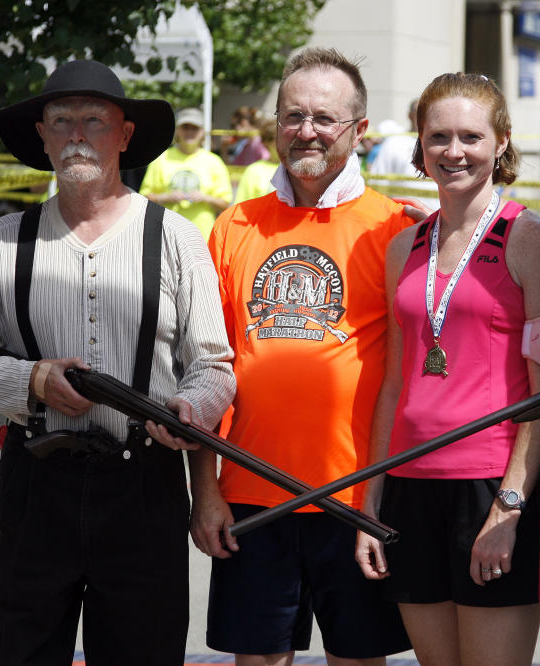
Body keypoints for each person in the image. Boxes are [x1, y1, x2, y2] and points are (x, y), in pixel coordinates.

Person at [0, 60, 236, 665]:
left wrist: (194, 408)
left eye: (94, 120)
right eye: (62, 121)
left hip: (143, 486)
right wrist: (27, 381)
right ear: (42, 135)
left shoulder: (175, 239)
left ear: (125, 134)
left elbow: (214, 365)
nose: (77, 135)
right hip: (36, 488)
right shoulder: (5, 240)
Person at [191, 47, 412, 665]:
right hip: (251, 496)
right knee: (258, 659)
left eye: (323, 117)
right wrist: (204, 491)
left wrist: (385, 499)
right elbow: (208, 368)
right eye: (292, 116)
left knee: (358, 657)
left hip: (355, 497)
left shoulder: (395, 229)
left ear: (359, 130)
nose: (305, 130)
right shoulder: (234, 225)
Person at [354, 73, 540, 666]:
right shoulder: (405, 246)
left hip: (490, 487)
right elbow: (396, 384)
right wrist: (371, 502)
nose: (453, 151)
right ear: (420, 145)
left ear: (500, 142)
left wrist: (510, 506)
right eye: (437, 136)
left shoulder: (529, 238)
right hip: (410, 487)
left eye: (470, 136)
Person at [139, 107, 233, 242]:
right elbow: (144, 198)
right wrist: (166, 197)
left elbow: (225, 203)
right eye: (185, 127)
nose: (190, 132)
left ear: (202, 132)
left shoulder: (214, 161)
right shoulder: (162, 159)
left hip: (203, 235)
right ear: (177, 130)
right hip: (166, 234)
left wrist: (205, 198)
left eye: (194, 128)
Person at [368, 99, 439, 209]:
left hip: (439, 220)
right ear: (410, 115)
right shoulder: (393, 144)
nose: (424, 116)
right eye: (419, 112)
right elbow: (376, 187)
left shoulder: (443, 145)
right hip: (401, 219)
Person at [231, 117, 278, 204]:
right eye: (277, 139)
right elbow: (242, 208)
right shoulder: (254, 171)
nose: (283, 142)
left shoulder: (297, 168)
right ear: (265, 142)